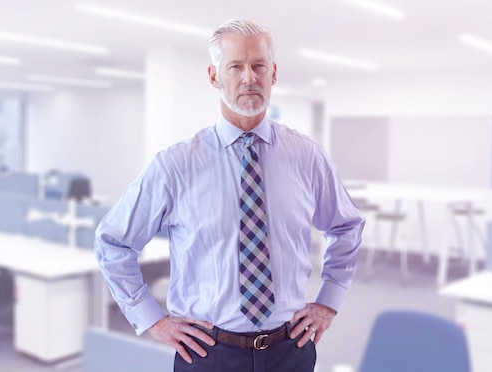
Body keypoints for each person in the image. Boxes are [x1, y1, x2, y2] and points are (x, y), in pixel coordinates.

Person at [94, 18, 364, 372]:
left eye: (259, 66)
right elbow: (113, 242)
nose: (249, 77)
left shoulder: (307, 156)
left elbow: (346, 226)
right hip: (208, 354)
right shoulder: (175, 166)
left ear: (274, 73)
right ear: (214, 76)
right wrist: (152, 319)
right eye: (235, 66)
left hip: (290, 350)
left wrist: (328, 301)